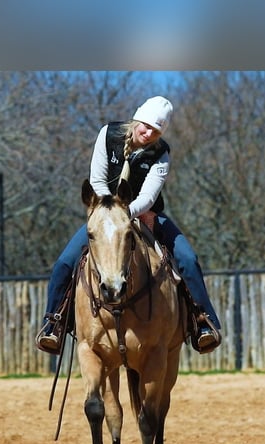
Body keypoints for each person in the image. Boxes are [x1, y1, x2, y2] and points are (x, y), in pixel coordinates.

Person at [35, 96, 221, 354]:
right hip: (105, 214)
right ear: (136, 121)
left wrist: (128, 212)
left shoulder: (161, 153)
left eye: (156, 130)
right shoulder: (108, 134)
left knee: (188, 259)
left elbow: (148, 196)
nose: (148, 133)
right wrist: (111, 212)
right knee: (65, 263)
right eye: (145, 126)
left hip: (145, 214)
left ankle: (203, 322)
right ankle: (53, 324)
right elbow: (97, 179)